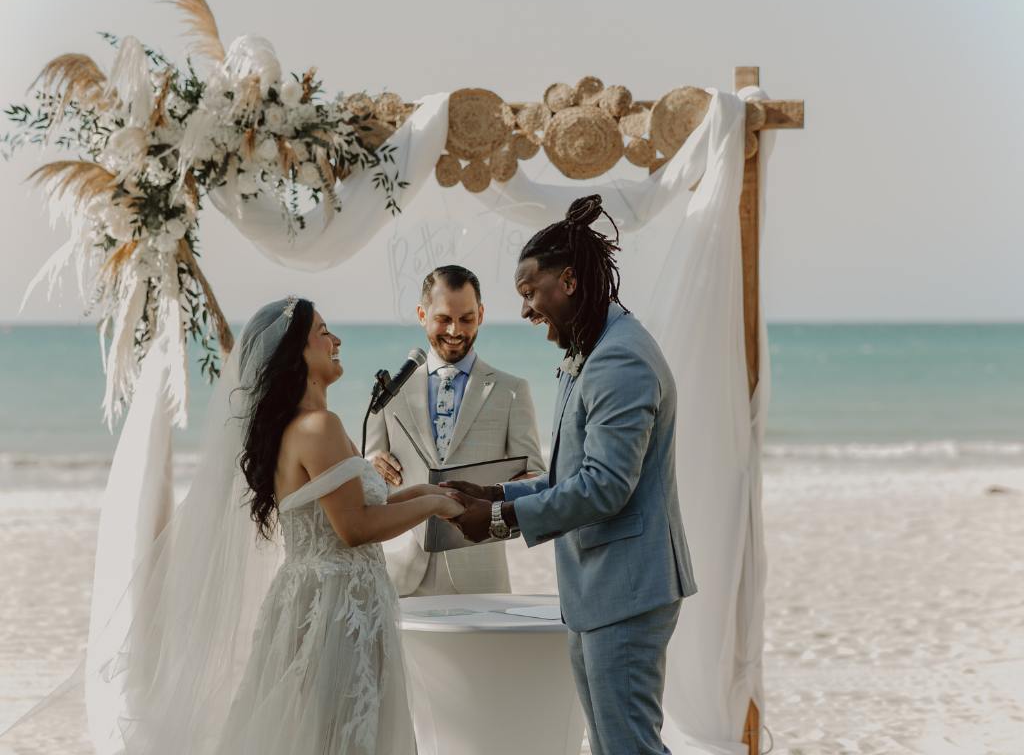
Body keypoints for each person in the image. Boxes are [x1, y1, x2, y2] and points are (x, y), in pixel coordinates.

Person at [4, 297, 463, 755]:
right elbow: (355, 528)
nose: (336, 340)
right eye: (323, 331)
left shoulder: (308, 427)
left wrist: (432, 495)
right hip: (336, 605)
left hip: (332, 596)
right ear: (296, 352)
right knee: (337, 732)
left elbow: (360, 507)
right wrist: (433, 507)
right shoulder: (319, 427)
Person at [444, 196, 699, 755]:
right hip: (599, 589)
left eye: (531, 293)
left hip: (627, 589)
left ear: (570, 281)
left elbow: (606, 486)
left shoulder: (620, 360)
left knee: (628, 746)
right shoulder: (591, 350)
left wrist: (496, 520)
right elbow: (571, 475)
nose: (527, 310)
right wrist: (492, 492)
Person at [366, 265, 544, 596]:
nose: (455, 330)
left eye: (466, 318)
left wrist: (495, 495)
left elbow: (536, 478)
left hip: (480, 575)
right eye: (444, 318)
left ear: (481, 314)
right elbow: (369, 475)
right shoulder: (391, 391)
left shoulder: (512, 390)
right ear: (422, 314)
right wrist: (372, 462)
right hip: (400, 573)